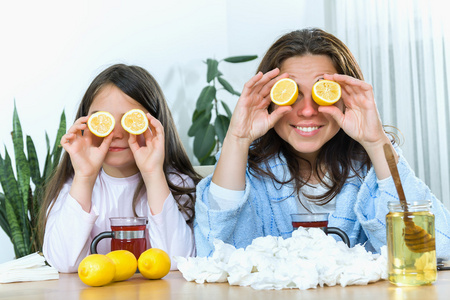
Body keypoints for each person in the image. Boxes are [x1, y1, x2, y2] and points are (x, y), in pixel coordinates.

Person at [194, 28, 450, 259]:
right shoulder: (245, 167)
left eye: (323, 92)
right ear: (269, 99)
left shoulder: (373, 166)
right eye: (291, 93)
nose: (307, 111)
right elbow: (211, 252)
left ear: (345, 98)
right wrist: (237, 138)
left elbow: (435, 249)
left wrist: (375, 142)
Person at [39, 64, 202, 272]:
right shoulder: (71, 188)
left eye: (131, 120)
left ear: (154, 123)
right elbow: (64, 263)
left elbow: (178, 261)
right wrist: (85, 177)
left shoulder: (177, 184)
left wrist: (153, 175)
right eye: (103, 121)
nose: (116, 133)